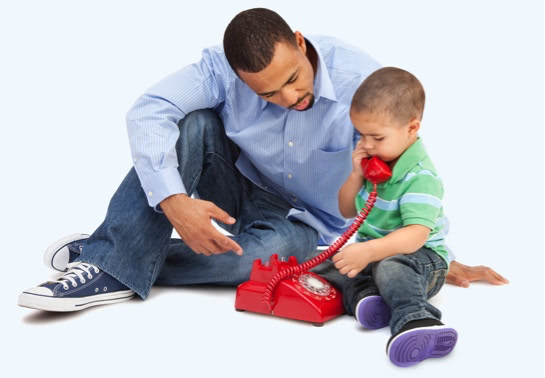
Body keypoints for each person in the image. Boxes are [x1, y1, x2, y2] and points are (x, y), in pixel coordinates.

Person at [18, 8, 507, 313]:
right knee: (194, 125)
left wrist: (432, 254)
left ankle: (105, 254)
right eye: (267, 93)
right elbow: (148, 110)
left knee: (255, 263)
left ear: (299, 41)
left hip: (307, 223)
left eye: (294, 78)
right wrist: (172, 200)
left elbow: (407, 163)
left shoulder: (362, 79)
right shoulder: (218, 71)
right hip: (238, 185)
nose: (290, 96)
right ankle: (114, 258)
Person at [313, 67, 460, 367]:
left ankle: (417, 320)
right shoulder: (375, 163)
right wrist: (356, 175)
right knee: (330, 264)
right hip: (375, 257)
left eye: (377, 137)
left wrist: (368, 251)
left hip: (420, 261)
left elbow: (416, 235)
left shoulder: (421, 176)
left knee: (391, 267)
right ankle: (369, 298)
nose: (366, 145)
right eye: (361, 135)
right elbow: (346, 210)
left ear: (411, 128)